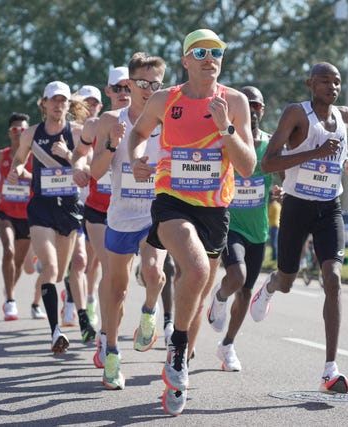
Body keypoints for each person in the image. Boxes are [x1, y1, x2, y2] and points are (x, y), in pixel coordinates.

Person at [128, 29, 256, 415]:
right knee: (197, 271)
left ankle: (179, 364)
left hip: (215, 208)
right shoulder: (167, 99)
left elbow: (248, 166)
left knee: (198, 295)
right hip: (172, 201)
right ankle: (178, 349)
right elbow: (138, 132)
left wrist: (225, 129)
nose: (209, 58)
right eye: (200, 52)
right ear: (185, 60)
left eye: (216, 51)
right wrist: (136, 157)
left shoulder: (234, 102)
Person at [250, 62, 348, 395]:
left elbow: (337, 153)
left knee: (334, 277)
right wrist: (315, 151)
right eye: (325, 81)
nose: (333, 87)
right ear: (310, 83)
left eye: (337, 82)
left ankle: (330, 369)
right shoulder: (296, 115)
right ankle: (269, 286)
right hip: (297, 205)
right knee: (287, 279)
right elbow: (268, 162)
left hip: (330, 207)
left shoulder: (344, 116)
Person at [90, 52, 168, 390]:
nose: (149, 89)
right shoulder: (111, 119)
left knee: (154, 272)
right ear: (129, 84)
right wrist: (111, 144)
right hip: (121, 214)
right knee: (117, 288)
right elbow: (94, 172)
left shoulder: (170, 119)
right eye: (142, 83)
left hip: (157, 212)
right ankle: (111, 355)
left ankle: (149, 314)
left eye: (156, 84)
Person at [7, 80, 94, 354]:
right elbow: (19, 159)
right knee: (51, 270)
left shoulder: (78, 132)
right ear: (43, 103)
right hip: (41, 208)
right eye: (53, 100)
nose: (58, 105)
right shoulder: (32, 133)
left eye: (63, 100)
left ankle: (79, 314)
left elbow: (86, 165)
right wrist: (16, 170)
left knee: (68, 269)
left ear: (69, 105)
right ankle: (56, 331)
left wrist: (68, 155)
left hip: (68, 208)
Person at [206, 85, 273, 372]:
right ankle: (219, 298)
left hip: (258, 229)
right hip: (230, 225)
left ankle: (228, 345)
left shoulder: (271, 145)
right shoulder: (226, 140)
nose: (254, 110)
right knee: (237, 276)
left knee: (245, 292)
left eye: (257, 105)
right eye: (249, 105)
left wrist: (281, 190)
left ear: (262, 109)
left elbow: (283, 173)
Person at [71, 67, 132, 358]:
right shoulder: (95, 124)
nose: (123, 94)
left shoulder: (149, 122)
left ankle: (110, 329)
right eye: (117, 88)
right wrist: (79, 168)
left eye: (127, 87)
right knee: (109, 271)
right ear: (107, 91)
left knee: (124, 281)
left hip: (134, 210)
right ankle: (108, 340)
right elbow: (79, 155)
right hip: (98, 209)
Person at [0, 112, 46, 321]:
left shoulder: (35, 156)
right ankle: (11, 301)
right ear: (9, 133)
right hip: (6, 212)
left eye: (23, 130)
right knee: (8, 250)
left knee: (18, 261)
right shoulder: (1, 155)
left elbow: (42, 180)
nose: (19, 134)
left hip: (27, 214)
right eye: (15, 130)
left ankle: (9, 292)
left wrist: (27, 175)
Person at [268, 198, 281, 263]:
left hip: (273, 225)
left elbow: (268, 214)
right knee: (275, 242)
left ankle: (274, 257)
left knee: (273, 242)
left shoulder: (273, 205)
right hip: (277, 225)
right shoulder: (278, 205)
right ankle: (275, 257)